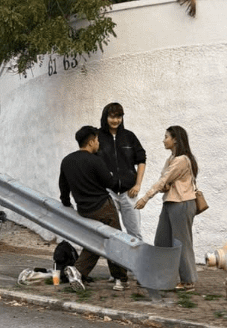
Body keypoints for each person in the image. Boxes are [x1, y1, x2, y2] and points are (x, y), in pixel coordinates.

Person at [58, 125, 129, 291]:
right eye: (97, 140)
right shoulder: (95, 160)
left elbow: (63, 188)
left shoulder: (67, 161)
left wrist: (67, 204)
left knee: (95, 242)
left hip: (84, 210)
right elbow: (110, 184)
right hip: (103, 207)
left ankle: (78, 271)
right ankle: (120, 279)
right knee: (115, 240)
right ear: (90, 142)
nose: (98, 143)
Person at [134, 125, 199, 291]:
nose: (164, 140)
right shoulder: (171, 159)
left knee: (181, 243)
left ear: (175, 139)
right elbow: (164, 181)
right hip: (170, 202)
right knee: (162, 241)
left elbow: (163, 181)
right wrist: (165, 185)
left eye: (166, 137)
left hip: (182, 204)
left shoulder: (182, 160)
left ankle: (188, 281)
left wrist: (145, 198)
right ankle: (159, 277)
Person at [97, 102, 146, 240]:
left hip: (129, 193)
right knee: (109, 233)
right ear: (105, 117)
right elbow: (91, 162)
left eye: (119, 117)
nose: (116, 120)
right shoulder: (97, 136)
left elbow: (142, 159)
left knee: (135, 233)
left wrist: (137, 185)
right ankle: (115, 261)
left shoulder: (129, 136)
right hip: (108, 193)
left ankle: (135, 261)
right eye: (112, 117)